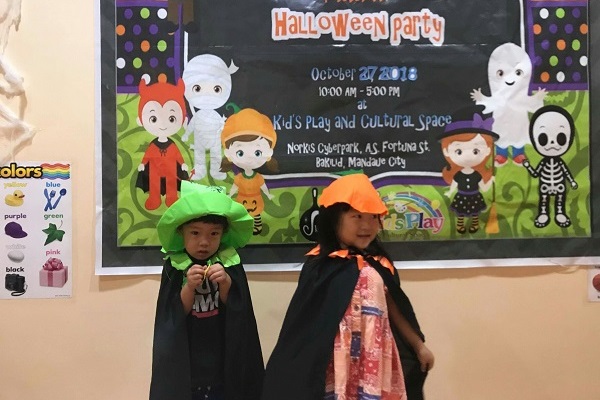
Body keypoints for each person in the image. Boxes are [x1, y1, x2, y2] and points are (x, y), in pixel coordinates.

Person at [261, 173, 434, 400]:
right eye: (357, 216)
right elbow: (304, 324)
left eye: (373, 217)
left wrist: (419, 346)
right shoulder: (320, 266)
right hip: (336, 361)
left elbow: (396, 309)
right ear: (334, 219)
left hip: (374, 355)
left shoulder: (379, 265)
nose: (367, 225)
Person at [150, 181, 264, 400]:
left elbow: (238, 309)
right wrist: (189, 287)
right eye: (195, 233)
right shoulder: (175, 265)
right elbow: (173, 314)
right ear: (181, 232)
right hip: (188, 357)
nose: (204, 242)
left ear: (223, 233)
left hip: (221, 353)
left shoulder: (229, 262)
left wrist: (226, 283)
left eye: (214, 234)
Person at [220, 108, 278, 235]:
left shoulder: (258, 177)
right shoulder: (239, 178)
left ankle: (257, 227)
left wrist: (268, 195)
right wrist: (230, 195)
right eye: (240, 153)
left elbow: (263, 187)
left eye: (257, 153)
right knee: (242, 216)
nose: (249, 158)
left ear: (269, 153)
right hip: (242, 200)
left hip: (256, 200)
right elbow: (235, 187)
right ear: (228, 154)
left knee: (256, 216)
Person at [439, 112, 498, 234]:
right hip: (461, 196)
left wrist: (490, 181)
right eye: (459, 151)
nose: (467, 156)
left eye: (476, 151)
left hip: (475, 196)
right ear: (446, 151)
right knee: (460, 214)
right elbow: (454, 184)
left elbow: (483, 187)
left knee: (475, 214)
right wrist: (450, 192)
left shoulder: (477, 175)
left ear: (487, 150)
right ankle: (460, 225)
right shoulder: (458, 175)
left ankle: (474, 224)